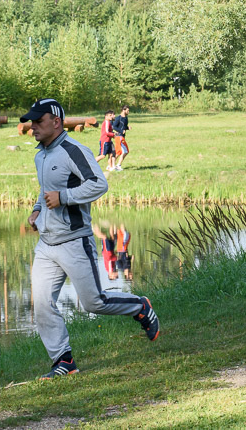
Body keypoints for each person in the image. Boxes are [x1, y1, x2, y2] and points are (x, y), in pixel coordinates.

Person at [22, 98, 159, 379]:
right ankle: (64, 360)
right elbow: (46, 188)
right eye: (31, 121)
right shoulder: (41, 154)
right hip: (46, 245)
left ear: (56, 122)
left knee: (94, 303)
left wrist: (63, 198)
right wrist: (37, 210)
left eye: (38, 121)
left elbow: (99, 184)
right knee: (42, 304)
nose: (32, 126)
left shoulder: (74, 151)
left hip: (75, 241)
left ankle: (140, 306)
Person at [112, 106, 130, 171]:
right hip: (118, 136)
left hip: (122, 137)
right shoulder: (118, 118)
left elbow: (124, 127)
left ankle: (112, 165)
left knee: (121, 151)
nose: (128, 112)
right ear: (123, 110)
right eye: (127, 110)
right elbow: (114, 127)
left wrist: (127, 128)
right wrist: (121, 131)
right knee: (124, 151)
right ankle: (116, 165)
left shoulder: (126, 118)